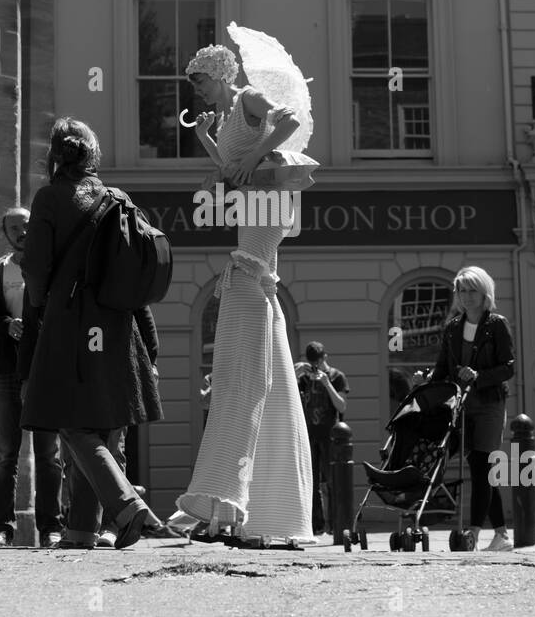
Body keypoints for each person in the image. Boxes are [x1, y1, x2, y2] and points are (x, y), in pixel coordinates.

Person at [168, 42, 314, 542]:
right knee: (251, 372)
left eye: (201, 81)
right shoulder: (227, 116)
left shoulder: (250, 97)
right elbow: (234, 173)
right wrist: (211, 144)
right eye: (194, 84)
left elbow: (289, 121)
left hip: (261, 227)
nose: (197, 90)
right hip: (253, 224)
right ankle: (234, 505)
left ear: (220, 74)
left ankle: (223, 502)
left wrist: (252, 152)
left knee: (242, 365)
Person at [17, 117, 167, 549]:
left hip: (71, 321)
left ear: (55, 156)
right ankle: (82, 530)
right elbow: (136, 276)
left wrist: (42, 304)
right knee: (101, 427)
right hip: (118, 327)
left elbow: (35, 268)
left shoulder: (48, 198)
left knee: (67, 420)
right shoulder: (120, 198)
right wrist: (150, 348)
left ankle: (126, 506)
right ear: (92, 154)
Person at [0, 207, 65, 548]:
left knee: (48, 454)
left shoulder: (54, 267)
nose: (22, 231)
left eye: (27, 225)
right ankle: (2, 529)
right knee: (6, 453)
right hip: (6, 370)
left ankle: (51, 527)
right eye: (14, 228)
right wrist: (5, 325)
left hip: (44, 371)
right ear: (5, 234)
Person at [428, 266, 516, 552]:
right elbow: (443, 369)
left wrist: (479, 376)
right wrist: (427, 379)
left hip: (490, 403)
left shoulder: (496, 324)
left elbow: (509, 368)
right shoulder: (453, 327)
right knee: (482, 469)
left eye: (472, 290)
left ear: (484, 293)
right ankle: (502, 535)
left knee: (481, 466)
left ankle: (474, 534)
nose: (466, 296)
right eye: (461, 290)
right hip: (462, 405)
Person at [295, 342, 349, 536]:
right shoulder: (304, 379)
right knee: (311, 482)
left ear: (325, 357)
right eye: (312, 364)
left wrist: (326, 383)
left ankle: (336, 525)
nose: (316, 367)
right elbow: (288, 396)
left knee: (333, 480)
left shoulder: (336, 377)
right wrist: (296, 372)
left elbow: (342, 407)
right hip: (309, 435)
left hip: (330, 436)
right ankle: (316, 526)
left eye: (318, 362)